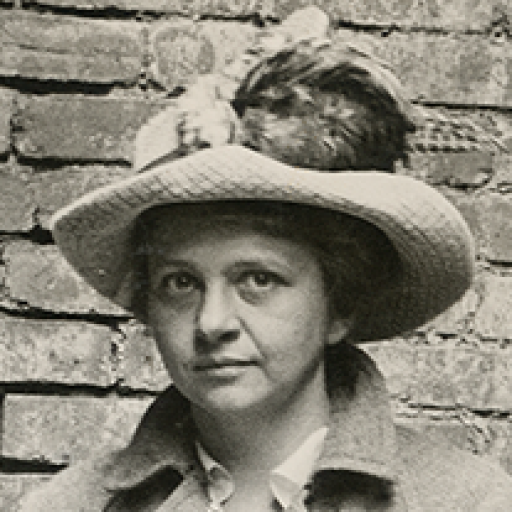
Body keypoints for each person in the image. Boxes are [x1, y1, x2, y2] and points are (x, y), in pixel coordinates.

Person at [20, 12, 512, 512]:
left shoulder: (465, 501)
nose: (212, 323)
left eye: (258, 279)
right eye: (180, 282)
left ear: (340, 306)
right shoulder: (68, 506)